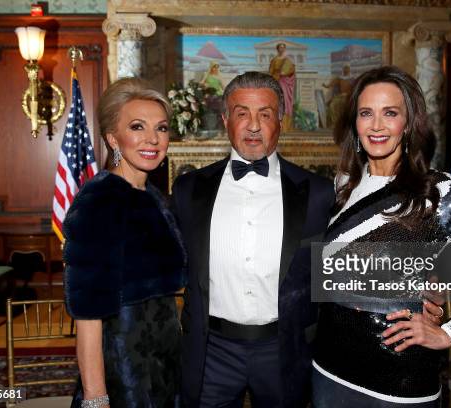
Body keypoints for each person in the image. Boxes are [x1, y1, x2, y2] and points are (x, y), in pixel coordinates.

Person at [312, 65, 451, 407]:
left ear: (408, 124)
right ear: (354, 123)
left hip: (400, 378)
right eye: (366, 113)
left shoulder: (438, 191)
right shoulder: (342, 186)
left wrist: (450, 331)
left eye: (390, 113)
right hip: (328, 368)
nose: (377, 125)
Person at [172, 71, 335, 408]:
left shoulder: (318, 193)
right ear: (225, 120)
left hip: (283, 350)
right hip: (211, 352)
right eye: (242, 113)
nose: (253, 125)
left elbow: (334, 274)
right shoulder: (189, 191)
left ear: (281, 121)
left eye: (265, 114)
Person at [63, 77, 186, 408]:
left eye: (161, 128)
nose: (152, 139)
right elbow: (87, 315)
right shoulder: (99, 201)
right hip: (123, 369)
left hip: (164, 364)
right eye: (137, 126)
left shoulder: (154, 198)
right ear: (112, 138)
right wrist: (95, 396)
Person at [269, 43, 296, 132]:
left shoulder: (288, 60)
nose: (282, 49)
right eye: (280, 48)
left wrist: (285, 74)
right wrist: (276, 76)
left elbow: (292, 72)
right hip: (276, 82)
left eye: (283, 48)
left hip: (285, 83)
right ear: (277, 49)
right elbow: (270, 72)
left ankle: (286, 127)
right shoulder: (274, 60)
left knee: (286, 102)